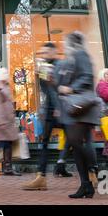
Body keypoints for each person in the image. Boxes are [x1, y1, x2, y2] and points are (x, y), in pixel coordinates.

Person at [55, 31, 99, 199]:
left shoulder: (81, 54)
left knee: (75, 142)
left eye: (65, 42)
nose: (64, 45)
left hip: (83, 109)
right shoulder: (70, 59)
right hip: (75, 109)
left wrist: (71, 88)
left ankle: (93, 171)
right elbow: (63, 82)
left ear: (72, 43)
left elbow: (87, 77)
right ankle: (86, 185)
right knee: (75, 145)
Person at [23, 42, 71, 191]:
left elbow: (60, 88)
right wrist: (40, 76)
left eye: (45, 52)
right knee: (44, 143)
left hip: (61, 108)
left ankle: (89, 171)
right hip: (50, 110)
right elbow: (45, 89)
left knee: (73, 139)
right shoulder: (43, 66)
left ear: (53, 52)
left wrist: (58, 107)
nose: (43, 55)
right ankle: (41, 177)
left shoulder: (62, 65)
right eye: (42, 53)